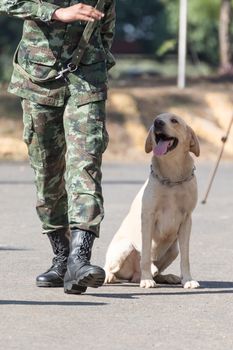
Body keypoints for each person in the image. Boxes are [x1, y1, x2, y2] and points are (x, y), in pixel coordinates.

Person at [0, 0, 116, 294]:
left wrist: (101, 63)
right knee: (47, 171)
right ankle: (62, 257)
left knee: (86, 165)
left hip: (87, 79)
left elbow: (106, 26)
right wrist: (55, 13)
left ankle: (80, 259)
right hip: (39, 80)